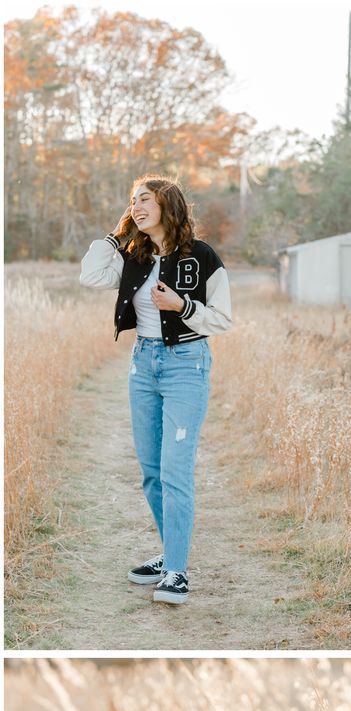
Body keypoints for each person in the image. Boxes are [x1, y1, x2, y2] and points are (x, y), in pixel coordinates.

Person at [80, 176, 232, 605]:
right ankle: (169, 556)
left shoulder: (201, 257)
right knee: (150, 470)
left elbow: (222, 318)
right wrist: (116, 235)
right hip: (142, 364)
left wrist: (182, 306)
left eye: (145, 199)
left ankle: (178, 573)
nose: (137, 206)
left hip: (187, 362)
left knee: (175, 470)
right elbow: (90, 275)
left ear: (168, 204)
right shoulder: (135, 254)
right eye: (132, 201)